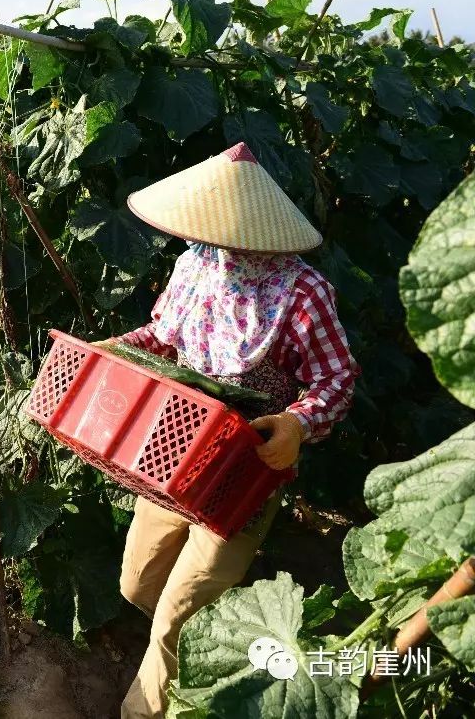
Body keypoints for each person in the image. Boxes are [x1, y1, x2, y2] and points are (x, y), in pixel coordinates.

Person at [113, 142, 360, 718]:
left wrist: (297, 424)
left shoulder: (303, 294)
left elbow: (337, 380)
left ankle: (149, 705)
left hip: (245, 468)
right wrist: (117, 351)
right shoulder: (196, 263)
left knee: (180, 612)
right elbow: (162, 334)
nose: (216, 238)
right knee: (139, 584)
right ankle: (207, 662)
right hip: (174, 447)